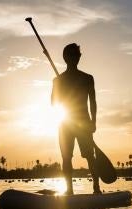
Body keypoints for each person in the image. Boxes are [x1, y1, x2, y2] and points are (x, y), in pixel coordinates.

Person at [51, 43, 101, 195]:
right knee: (66, 157)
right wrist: (59, 88)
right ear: (66, 58)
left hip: (84, 123)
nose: (76, 58)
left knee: (90, 157)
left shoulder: (87, 78)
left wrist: (93, 122)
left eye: (78, 55)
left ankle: (96, 189)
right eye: (73, 55)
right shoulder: (58, 80)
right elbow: (53, 103)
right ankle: (69, 191)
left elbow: (93, 102)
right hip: (65, 123)